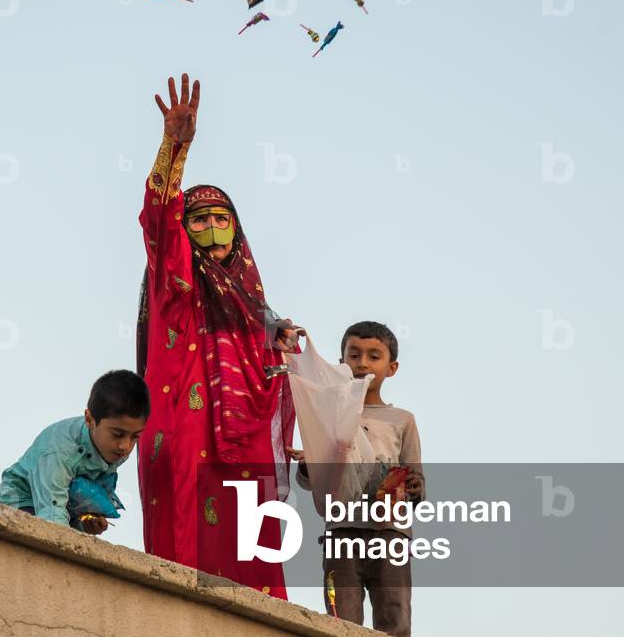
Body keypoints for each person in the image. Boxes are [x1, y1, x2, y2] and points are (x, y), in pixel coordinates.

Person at [136, 73, 303, 598]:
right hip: (184, 434)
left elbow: (277, 388)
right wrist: (173, 148)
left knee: (250, 557)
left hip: (244, 450)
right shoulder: (176, 282)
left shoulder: (258, 310)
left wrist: (286, 352)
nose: (210, 228)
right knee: (186, 565)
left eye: (221, 218)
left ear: (237, 229)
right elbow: (160, 221)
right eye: (199, 218)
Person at [291, 321, 424, 635]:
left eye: (373, 356)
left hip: (390, 534)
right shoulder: (329, 414)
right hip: (342, 532)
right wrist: (311, 462)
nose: (363, 363)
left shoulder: (402, 421)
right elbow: (311, 480)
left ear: (391, 368)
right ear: (341, 363)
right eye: (354, 355)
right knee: (341, 620)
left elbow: (416, 479)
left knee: (395, 616)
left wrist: (413, 485)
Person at [0, 370, 149, 535]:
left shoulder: (115, 448)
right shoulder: (60, 452)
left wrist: (86, 519)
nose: (126, 446)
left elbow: (84, 489)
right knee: (40, 535)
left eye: (135, 437)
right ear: (89, 420)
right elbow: (51, 513)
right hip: (23, 500)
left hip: (63, 503)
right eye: (117, 434)